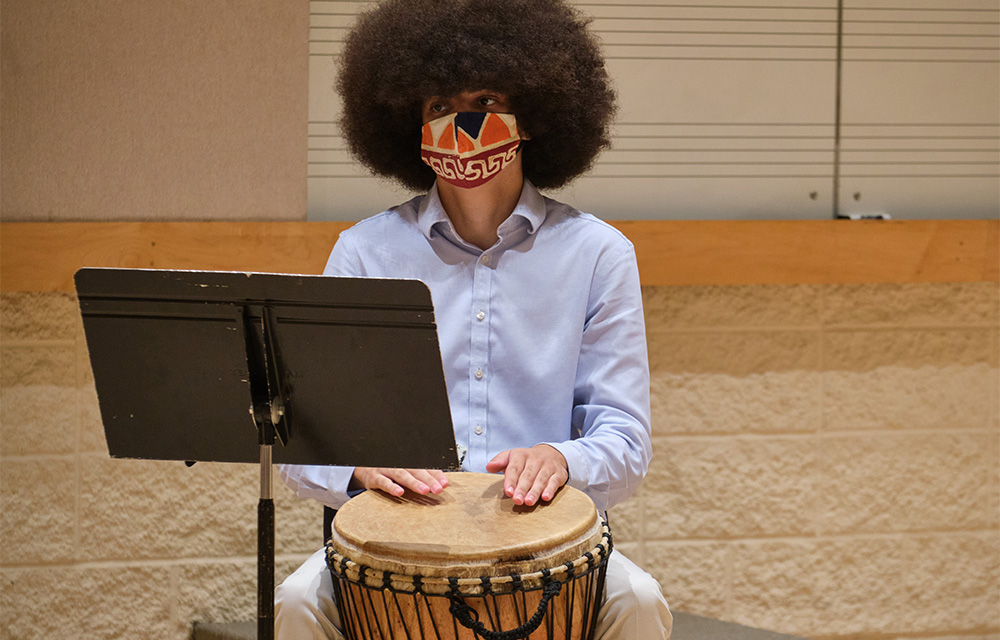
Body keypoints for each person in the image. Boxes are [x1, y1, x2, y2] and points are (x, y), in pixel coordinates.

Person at [275, 0, 672, 637]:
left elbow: (625, 442)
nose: (462, 124)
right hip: (392, 539)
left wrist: (560, 459)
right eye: (439, 107)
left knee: (641, 601)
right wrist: (357, 469)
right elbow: (302, 444)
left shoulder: (599, 254)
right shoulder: (364, 252)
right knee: (296, 604)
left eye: (486, 100)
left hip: (542, 540)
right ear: (409, 125)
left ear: (535, 117)